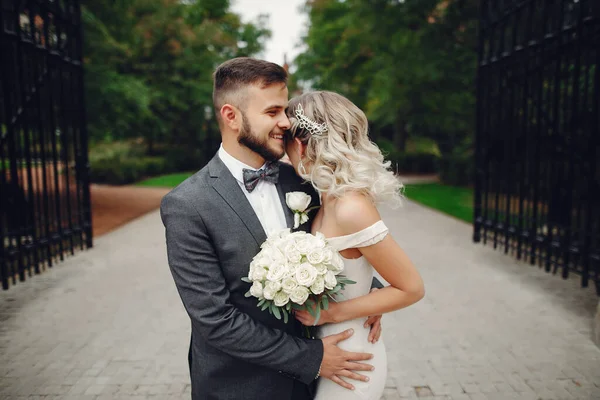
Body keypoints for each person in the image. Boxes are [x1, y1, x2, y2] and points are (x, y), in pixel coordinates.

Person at [160, 57, 384, 400]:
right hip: (239, 385)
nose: (287, 122)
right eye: (273, 112)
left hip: (313, 384)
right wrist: (313, 358)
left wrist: (369, 295)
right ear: (231, 117)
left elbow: (345, 240)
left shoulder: (303, 180)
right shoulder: (187, 204)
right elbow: (214, 319)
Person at [285, 91, 426, 400]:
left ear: (300, 144)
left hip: (353, 362)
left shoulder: (351, 206)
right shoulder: (327, 197)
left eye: (285, 143)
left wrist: (331, 313)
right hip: (327, 354)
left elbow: (411, 287)